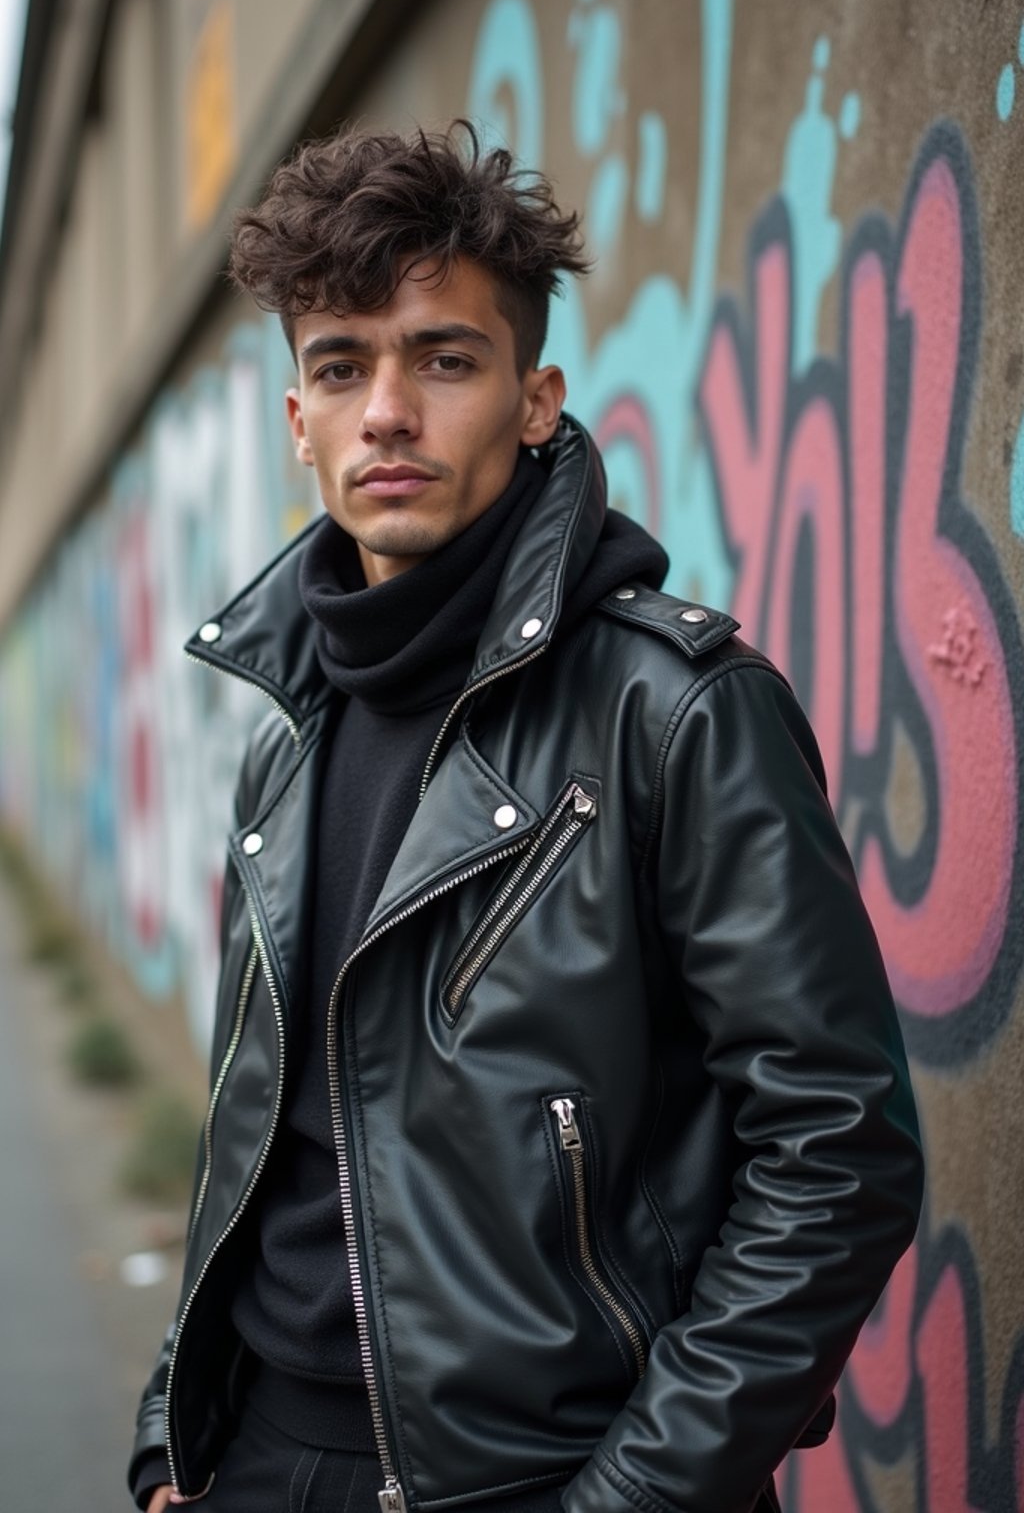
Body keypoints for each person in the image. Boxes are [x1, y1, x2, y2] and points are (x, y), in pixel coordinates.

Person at [129, 121, 923, 1513]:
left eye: (444, 357)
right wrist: (167, 1436)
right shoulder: (285, 742)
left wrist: (634, 1498)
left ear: (536, 398)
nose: (388, 409)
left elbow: (837, 1155)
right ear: (297, 420)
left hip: (544, 1478)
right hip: (260, 1456)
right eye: (340, 363)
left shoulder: (675, 713)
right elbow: (247, 1136)